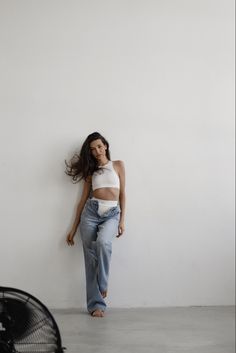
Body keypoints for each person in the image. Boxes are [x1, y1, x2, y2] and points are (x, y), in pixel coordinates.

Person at [65, 132, 126, 318]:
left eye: (99, 146)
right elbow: (82, 200)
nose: (97, 151)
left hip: (112, 214)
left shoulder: (118, 165)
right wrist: (73, 228)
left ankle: (103, 283)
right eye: (92, 149)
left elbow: (123, 194)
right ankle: (96, 305)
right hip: (91, 213)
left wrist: (122, 219)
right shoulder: (91, 173)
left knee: (103, 243)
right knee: (90, 260)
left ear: (105, 146)